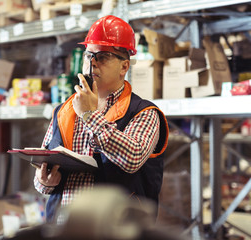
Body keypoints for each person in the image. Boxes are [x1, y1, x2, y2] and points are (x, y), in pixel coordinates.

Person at [34, 15, 169, 222]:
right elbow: (43, 171)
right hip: (63, 229)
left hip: (117, 230)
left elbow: (132, 158)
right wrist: (45, 181)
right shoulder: (63, 111)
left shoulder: (145, 112)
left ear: (124, 67)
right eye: (89, 55)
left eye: (103, 56)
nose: (92, 63)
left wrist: (89, 115)